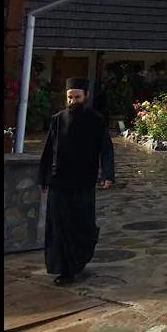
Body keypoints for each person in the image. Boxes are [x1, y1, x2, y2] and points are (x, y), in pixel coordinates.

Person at [39, 77, 115, 285]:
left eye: (77, 97)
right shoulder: (57, 119)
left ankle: (78, 261)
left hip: (83, 182)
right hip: (59, 181)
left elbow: (106, 149)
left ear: (86, 97)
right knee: (59, 226)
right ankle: (65, 270)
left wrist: (107, 174)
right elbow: (49, 149)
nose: (73, 101)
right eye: (70, 97)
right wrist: (43, 177)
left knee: (81, 224)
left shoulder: (96, 120)